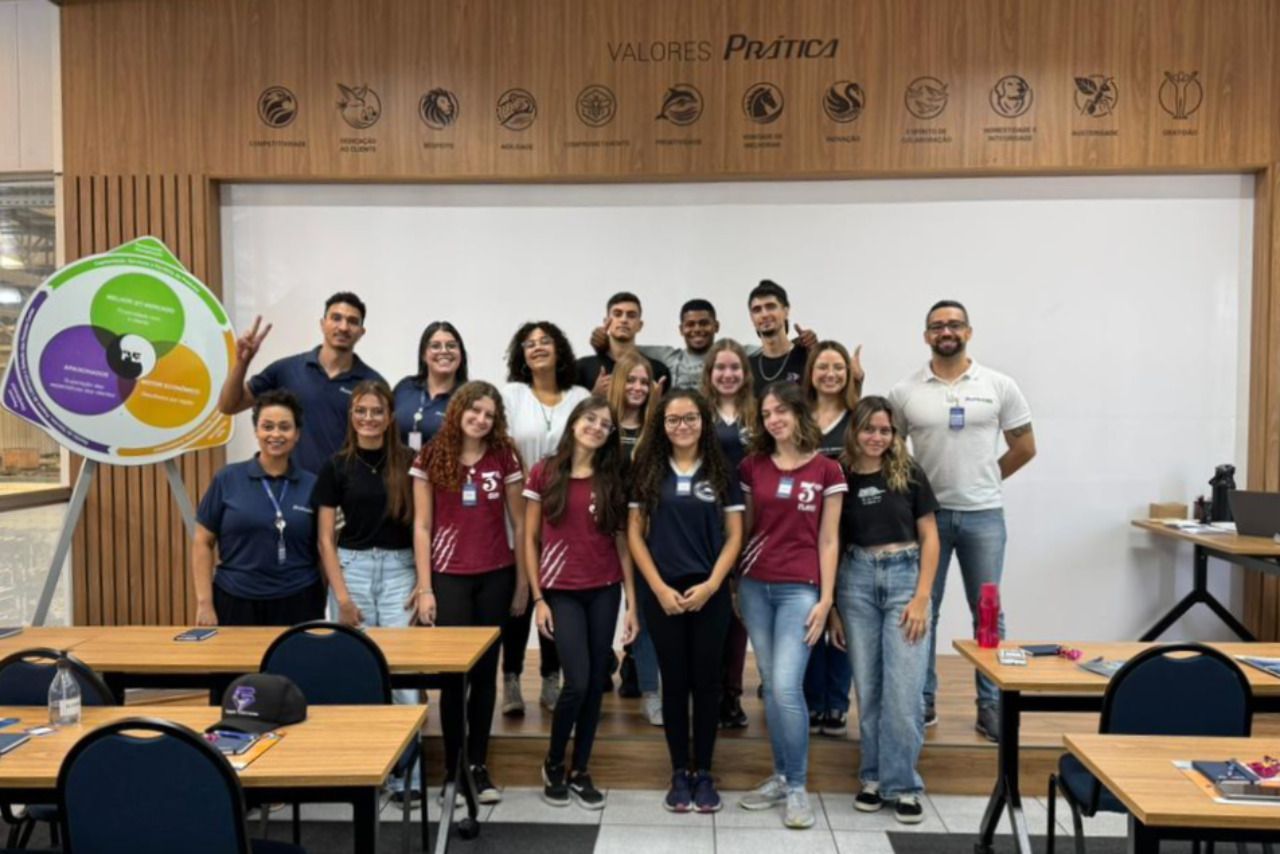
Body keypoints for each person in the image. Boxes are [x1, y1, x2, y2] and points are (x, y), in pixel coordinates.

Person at [887, 299, 1035, 743]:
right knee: (922, 609)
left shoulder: (998, 385)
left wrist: (988, 478)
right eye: (937, 326)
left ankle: (990, 705)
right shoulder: (905, 391)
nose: (945, 331)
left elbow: (1025, 446)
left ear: (968, 331)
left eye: (954, 324)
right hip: (926, 520)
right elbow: (889, 451)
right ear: (926, 335)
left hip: (984, 517)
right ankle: (923, 697)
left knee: (988, 612)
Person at [735, 382, 845, 829]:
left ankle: (798, 786)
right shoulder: (751, 466)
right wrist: (732, 586)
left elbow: (830, 538)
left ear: (800, 414)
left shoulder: (827, 471)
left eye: (781, 410)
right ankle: (780, 776)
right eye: (766, 414)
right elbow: (740, 530)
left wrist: (827, 600)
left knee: (785, 688)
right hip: (754, 586)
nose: (774, 419)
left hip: (799, 589)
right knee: (771, 682)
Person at [411, 381, 526, 807]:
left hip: (496, 575)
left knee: (485, 674)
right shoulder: (431, 456)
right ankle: (453, 769)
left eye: (489, 415)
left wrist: (522, 581)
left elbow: (519, 520)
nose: (481, 420)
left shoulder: (504, 456)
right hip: (449, 578)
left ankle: (478, 764)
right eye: (474, 411)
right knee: (454, 678)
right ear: (459, 410)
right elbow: (422, 527)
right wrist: (425, 588)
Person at [628, 389, 743, 813]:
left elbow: (735, 535)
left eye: (690, 418)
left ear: (703, 421)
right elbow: (635, 535)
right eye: (674, 419)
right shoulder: (647, 469)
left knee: (707, 684)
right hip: (664, 592)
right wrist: (658, 588)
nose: (682, 426)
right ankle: (680, 772)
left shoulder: (720, 470)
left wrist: (714, 584)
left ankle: (706, 772)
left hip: (708, 592)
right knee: (674, 684)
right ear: (662, 425)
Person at [523, 395, 638, 810]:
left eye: (605, 424)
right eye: (590, 419)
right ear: (574, 423)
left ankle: (581, 769)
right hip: (561, 591)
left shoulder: (612, 477)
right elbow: (530, 540)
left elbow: (623, 542)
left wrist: (633, 606)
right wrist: (538, 597)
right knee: (578, 681)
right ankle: (554, 762)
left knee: (594, 688)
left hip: (604, 589)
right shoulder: (544, 472)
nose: (596, 427)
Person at [829, 396, 940, 824]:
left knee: (904, 688)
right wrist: (835, 608)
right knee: (870, 688)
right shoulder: (838, 475)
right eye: (869, 429)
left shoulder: (908, 471)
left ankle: (905, 783)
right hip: (855, 582)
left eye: (885, 430)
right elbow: (832, 543)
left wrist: (922, 597)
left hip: (904, 579)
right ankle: (872, 778)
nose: (877, 437)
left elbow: (930, 537)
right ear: (854, 430)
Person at [312, 380, 421, 803]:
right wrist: (341, 597)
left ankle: (405, 777)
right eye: (362, 411)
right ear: (352, 415)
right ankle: (362, 774)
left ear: (390, 416)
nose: (370, 419)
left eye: (377, 411)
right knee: (355, 673)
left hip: (399, 571)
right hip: (352, 571)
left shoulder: (410, 462)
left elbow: (423, 527)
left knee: (402, 678)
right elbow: (325, 539)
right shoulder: (336, 466)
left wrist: (422, 583)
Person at [500, 322, 589, 715]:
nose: (536, 348)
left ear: (560, 349)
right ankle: (512, 678)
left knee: (556, 595)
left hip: (565, 515)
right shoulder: (511, 395)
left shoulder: (580, 397)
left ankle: (552, 676)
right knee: (519, 596)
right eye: (529, 344)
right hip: (516, 508)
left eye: (544, 341)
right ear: (521, 355)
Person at [192, 390, 325, 626]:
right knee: (239, 663)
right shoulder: (228, 478)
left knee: (297, 663)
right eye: (268, 426)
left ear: (297, 434)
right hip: (235, 600)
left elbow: (325, 547)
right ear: (256, 431)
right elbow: (202, 541)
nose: (276, 434)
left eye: (285, 427)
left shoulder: (313, 484)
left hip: (300, 600)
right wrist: (204, 603)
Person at [217, 292, 384, 474]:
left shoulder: (372, 383)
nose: (343, 327)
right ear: (322, 323)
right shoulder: (286, 370)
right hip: (292, 491)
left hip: (344, 493)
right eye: (336, 318)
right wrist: (242, 363)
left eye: (352, 321)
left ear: (361, 332)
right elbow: (228, 406)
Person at [800, 341, 864, 737]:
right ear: (810, 373)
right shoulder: (799, 418)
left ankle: (836, 703)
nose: (830, 374)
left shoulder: (858, 418)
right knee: (810, 615)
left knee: (843, 618)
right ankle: (810, 700)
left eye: (838, 367)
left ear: (848, 373)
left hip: (852, 529)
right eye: (822, 366)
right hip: (806, 531)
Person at [700, 338, 755, 729]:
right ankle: (707, 689)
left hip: (753, 518)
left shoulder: (759, 411)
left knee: (739, 610)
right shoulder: (700, 412)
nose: (728, 374)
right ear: (709, 373)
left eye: (735, 367)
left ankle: (732, 693)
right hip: (706, 519)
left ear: (745, 373)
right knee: (710, 603)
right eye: (720, 367)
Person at [606, 350, 663, 725]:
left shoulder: (656, 428)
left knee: (641, 610)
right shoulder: (603, 423)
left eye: (645, 381)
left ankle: (652, 692)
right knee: (608, 612)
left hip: (646, 532)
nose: (639, 387)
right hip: (602, 533)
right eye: (632, 380)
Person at [392, 321, 468, 451]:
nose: (444, 351)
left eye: (451, 346)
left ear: (460, 353)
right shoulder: (404, 387)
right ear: (423, 355)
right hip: (399, 470)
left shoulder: (468, 397)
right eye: (435, 346)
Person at [575, 291, 671, 393]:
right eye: (617, 314)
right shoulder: (582, 368)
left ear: (640, 325)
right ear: (606, 321)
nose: (624, 320)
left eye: (631, 315)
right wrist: (594, 396)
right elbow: (569, 407)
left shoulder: (657, 370)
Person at [747, 280, 811, 395]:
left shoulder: (807, 357)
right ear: (751, 317)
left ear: (786, 311)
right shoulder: (746, 367)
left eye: (770, 307)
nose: (764, 314)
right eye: (757, 310)